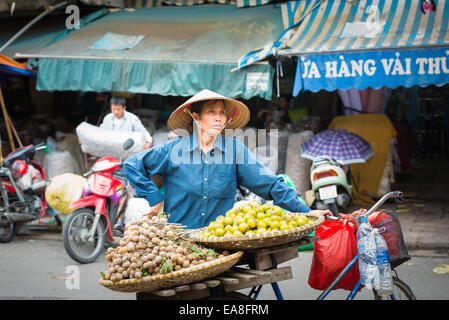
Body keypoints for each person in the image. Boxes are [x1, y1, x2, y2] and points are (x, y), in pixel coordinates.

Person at [123, 89, 327, 229]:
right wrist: (155, 199)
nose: (218, 118)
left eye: (221, 113)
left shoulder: (234, 151)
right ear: (196, 117)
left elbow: (270, 184)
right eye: (211, 112)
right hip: (177, 240)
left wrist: (306, 211)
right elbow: (132, 165)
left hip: (219, 241)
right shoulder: (173, 149)